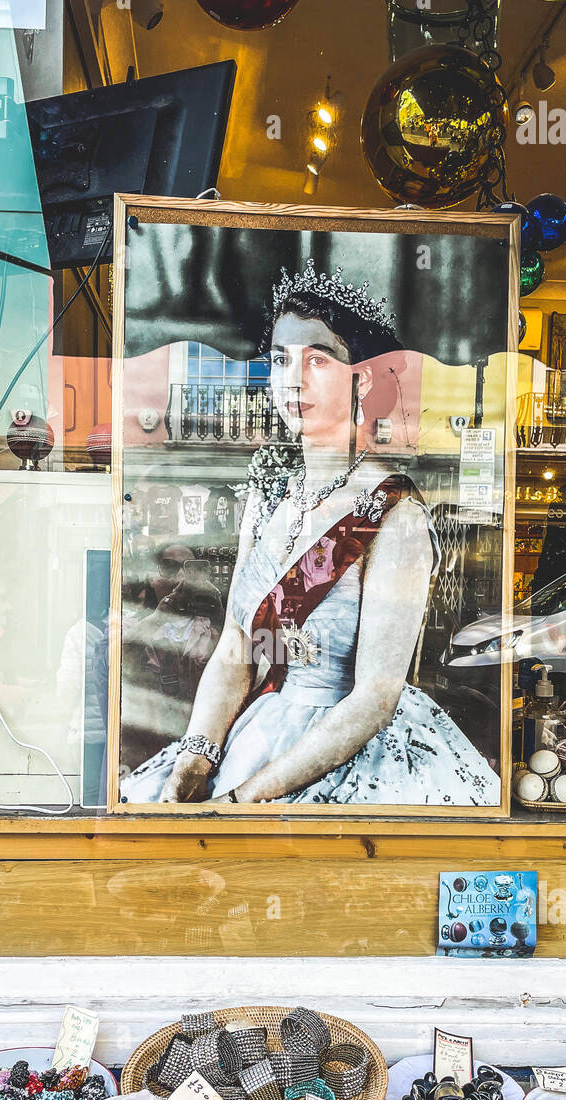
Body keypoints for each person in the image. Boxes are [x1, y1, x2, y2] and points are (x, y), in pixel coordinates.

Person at [121, 259, 500, 807]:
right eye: (280, 360)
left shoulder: (395, 515)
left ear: (361, 378)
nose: (292, 380)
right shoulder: (271, 493)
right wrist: (196, 756)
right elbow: (235, 647)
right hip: (259, 731)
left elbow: (374, 698)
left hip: (349, 756)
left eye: (317, 360)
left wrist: (249, 796)